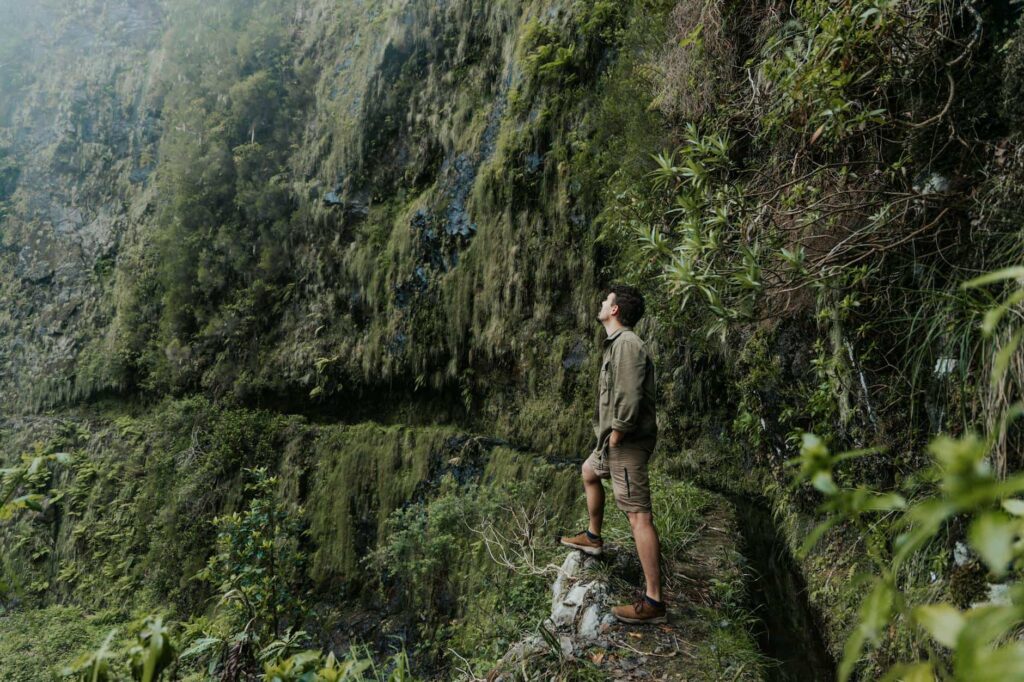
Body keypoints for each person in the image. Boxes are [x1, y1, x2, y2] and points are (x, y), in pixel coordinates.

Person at [560, 284, 665, 624]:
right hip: (611, 442)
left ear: (616, 309)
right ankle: (592, 537)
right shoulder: (616, 345)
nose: (602, 303)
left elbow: (631, 396)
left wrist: (618, 433)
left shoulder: (629, 345)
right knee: (588, 471)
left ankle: (653, 601)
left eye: (606, 300)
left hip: (626, 442)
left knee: (638, 516)